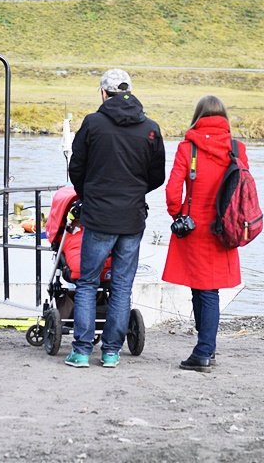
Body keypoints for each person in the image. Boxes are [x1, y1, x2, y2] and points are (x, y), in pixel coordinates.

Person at [65, 69, 166, 369]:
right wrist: (135, 191)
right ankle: (111, 352)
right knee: (122, 285)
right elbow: (156, 176)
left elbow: (77, 167)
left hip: (98, 216)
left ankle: (82, 350)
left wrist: (89, 193)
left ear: (103, 94)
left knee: (87, 283)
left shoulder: (93, 123)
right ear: (131, 92)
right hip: (132, 217)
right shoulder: (150, 127)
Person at [163, 95, 244, 372]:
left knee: (204, 290)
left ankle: (204, 350)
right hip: (226, 226)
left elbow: (173, 191)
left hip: (195, 224)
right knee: (206, 288)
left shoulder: (187, 148)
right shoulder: (236, 148)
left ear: (197, 116)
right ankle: (207, 346)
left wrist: (179, 216)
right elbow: (241, 188)